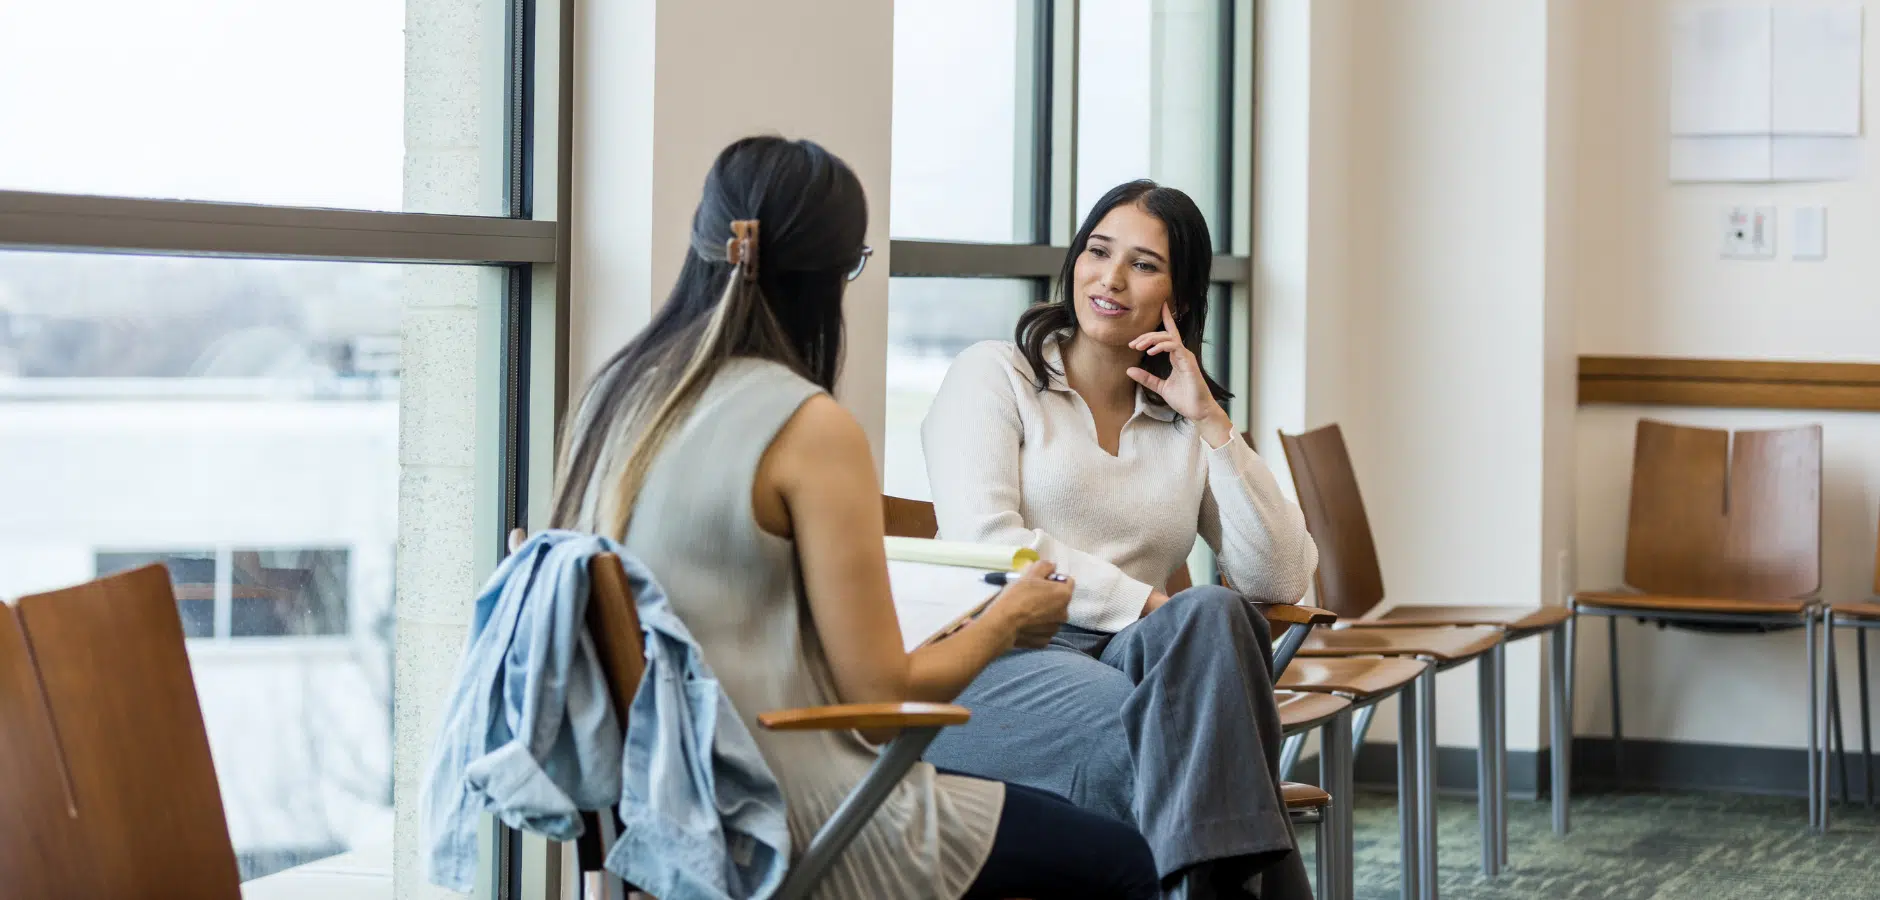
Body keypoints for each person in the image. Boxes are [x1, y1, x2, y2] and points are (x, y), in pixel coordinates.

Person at [547, 136, 1159, 900]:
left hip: (663, 801)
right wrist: (1007, 619)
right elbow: (878, 692)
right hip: (793, 805)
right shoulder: (807, 427)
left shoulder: (618, 398)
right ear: (833, 274)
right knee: (1123, 858)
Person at [919, 180, 1322, 900]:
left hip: (1130, 666)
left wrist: (1211, 425)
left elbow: (1279, 578)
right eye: (1098, 252)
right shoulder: (996, 375)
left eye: (1143, 264)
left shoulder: (1179, 419)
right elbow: (991, 542)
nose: (1110, 278)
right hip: (997, 657)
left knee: (1216, 614)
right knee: (1187, 743)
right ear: (1074, 260)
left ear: (1182, 297)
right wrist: (1144, 605)